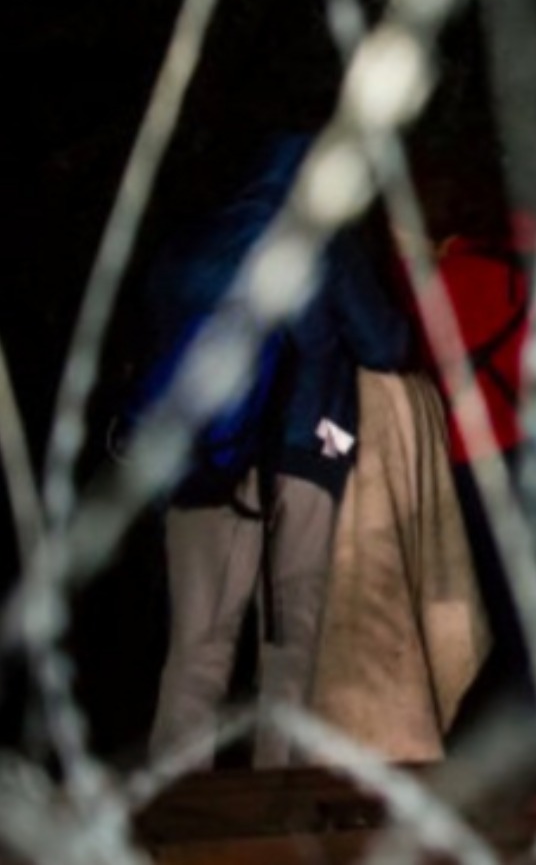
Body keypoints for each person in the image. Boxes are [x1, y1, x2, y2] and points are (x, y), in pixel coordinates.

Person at [143, 134, 411, 769]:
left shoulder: (190, 242)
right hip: (300, 451)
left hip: (200, 461)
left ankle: (174, 798)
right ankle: (278, 797)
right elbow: (385, 344)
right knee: (291, 640)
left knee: (197, 646)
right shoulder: (324, 237)